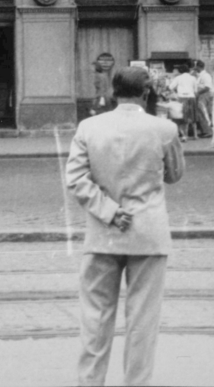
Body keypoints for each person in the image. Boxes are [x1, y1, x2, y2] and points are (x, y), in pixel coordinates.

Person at [63, 63, 185, 386]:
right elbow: (174, 175)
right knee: (142, 325)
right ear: (146, 93)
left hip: (104, 234)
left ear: (114, 93)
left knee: (95, 322)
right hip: (148, 235)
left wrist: (109, 210)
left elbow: (75, 180)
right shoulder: (164, 129)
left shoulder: (88, 127)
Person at [169, 68, 199, 139]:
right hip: (191, 97)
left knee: (183, 117)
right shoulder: (193, 78)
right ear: (188, 70)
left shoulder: (178, 78)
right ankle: (195, 135)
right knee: (192, 116)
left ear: (180, 71)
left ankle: (185, 136)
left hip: (181, 97)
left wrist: (176, 92)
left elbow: (170, 87)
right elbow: (195, 90)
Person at [192, 61, 213, 140]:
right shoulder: (198, 75)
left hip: (204, 95)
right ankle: (204, 131)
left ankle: (208, 131)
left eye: (195, 66)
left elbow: (207, 87)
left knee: (204, 113)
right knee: (200, 114)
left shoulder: (206, 76)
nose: (194, 68)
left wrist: (198, 93)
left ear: (199, 67)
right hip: (200, 95)